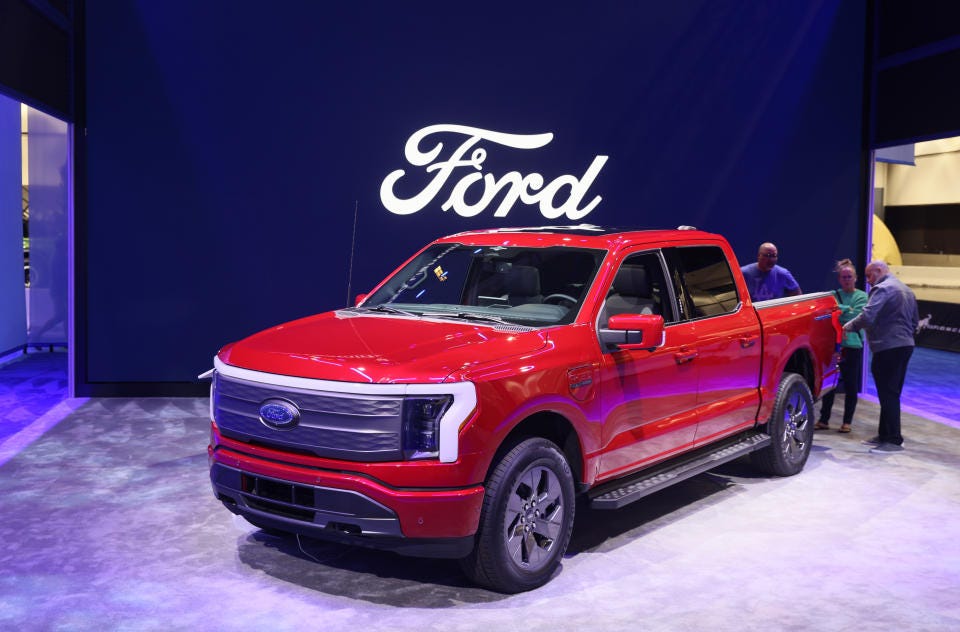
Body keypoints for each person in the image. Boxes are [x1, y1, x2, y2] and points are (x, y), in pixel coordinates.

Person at [843, 260, 919, 454]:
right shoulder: (906, 290)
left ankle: (893, 440)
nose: (868, 281)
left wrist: (848, 327)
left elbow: (868, 316)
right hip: (905, 346)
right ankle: (884, 435)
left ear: (878, 271)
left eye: (869, 275)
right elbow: (915, 322)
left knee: (888, 394)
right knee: (891, 393)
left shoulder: (883, 289)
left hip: (888, 347)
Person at [815, 259, 867, 434]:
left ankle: (847, 422)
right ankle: (824, 420)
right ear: (839, 279)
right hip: (834, 346)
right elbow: (829, 314)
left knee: (851, 385)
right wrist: (846, 310)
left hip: (853, 346)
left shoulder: (862, 296)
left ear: (856, 278)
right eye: (843, 277)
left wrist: (839, 310)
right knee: (830, 385)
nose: (846, 279)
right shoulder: (832, 294)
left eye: (849, 276)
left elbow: (857, 316)